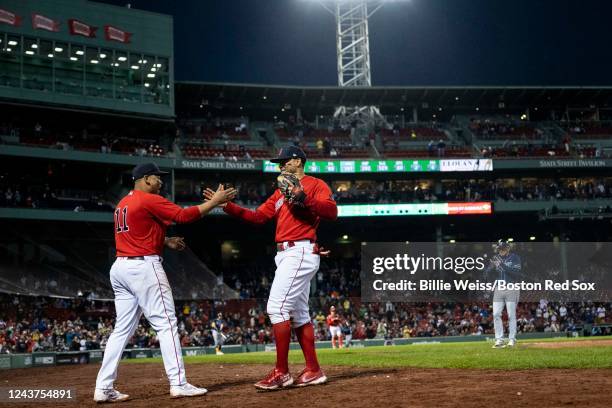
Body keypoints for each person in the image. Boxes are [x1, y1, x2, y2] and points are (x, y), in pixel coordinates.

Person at [93, 162, 235, 403]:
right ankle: (178, 383)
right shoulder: (149, 199)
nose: (161, 182)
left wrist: (165, 241)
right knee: (166, 323)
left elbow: (137, 233)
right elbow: (183, 215)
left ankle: (103, 387)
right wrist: (214, 202)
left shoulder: (123, 203)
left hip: (120, 267)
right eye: (157, 178)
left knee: (121, 330)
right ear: (146, 179)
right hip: (143, 268)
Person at [205, 145, 337, 390]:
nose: (281, 165)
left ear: (298, 160)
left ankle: (282, 372)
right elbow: (258, 217)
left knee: (276, 308)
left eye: (285, 160)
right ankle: (313, 370)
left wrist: (304, 198)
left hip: (299, 251)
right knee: (298, 315)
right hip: (286, 254)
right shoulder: (279, 193)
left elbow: (332, 211)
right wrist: (226, 206)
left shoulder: (316, 184)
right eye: (279, 162)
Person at [487, 239, 522, 348]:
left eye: (503, 248)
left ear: (507, 248)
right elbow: (487, 274)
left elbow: (517, 273)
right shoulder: (495, 259)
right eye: (499, 248)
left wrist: (502, 265)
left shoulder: (515, 257)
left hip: (512, 287)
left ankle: (512, 339)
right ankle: (499, 340)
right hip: (499, 287)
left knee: (511, 315)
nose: (501, 250)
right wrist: (491, 268)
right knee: (496, 314)